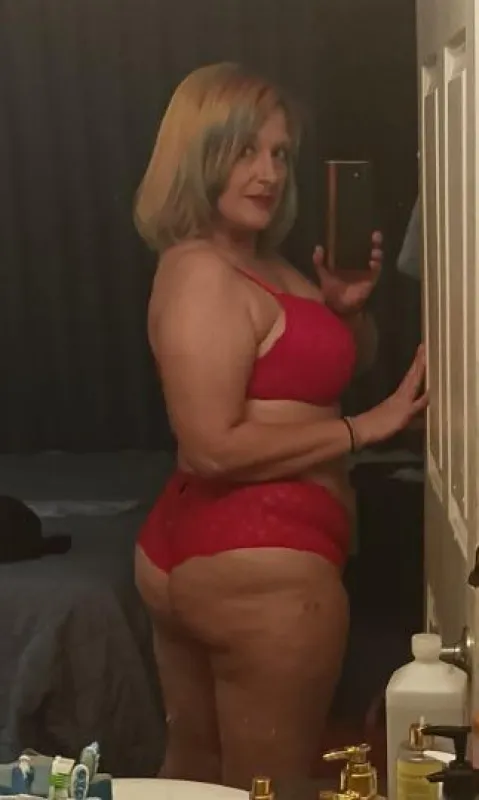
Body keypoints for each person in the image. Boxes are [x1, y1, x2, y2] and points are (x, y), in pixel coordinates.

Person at [133, 62, 427, 790]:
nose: (267, 173)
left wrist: (345, 309)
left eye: (279, 153)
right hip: (258, 563)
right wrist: (364, 429)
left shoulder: (264, 264)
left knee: (199, 781)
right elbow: (209, 446)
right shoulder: (202, 272)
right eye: (244, 152)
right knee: (273, 787)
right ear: (198, 157)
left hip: (233, 552)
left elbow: (317, 375)